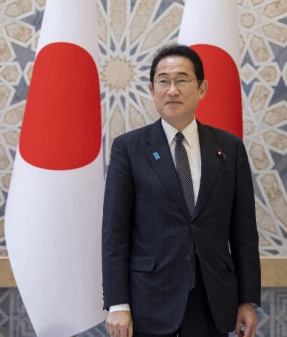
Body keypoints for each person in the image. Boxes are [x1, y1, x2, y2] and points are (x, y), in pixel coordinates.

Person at [102, 44, 260, 337]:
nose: (172, 90)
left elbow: (244, 233)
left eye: (182, 80)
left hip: (212, 302)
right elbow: (115, 234)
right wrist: (117, 304)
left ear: (202, 88)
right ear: (152, 89)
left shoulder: (229, 148)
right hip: (148, 301)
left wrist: (247, 300)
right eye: (163, 81)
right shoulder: (129, 148)